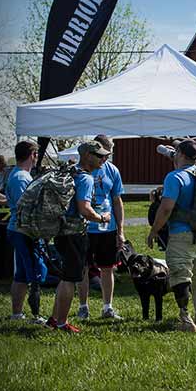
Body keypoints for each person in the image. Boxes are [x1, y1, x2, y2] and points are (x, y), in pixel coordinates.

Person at [147, 139, 196, 333]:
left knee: (180, 276)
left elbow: (166, 208)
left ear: (181, 154)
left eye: (176, 152)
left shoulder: (174, 177)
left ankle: (186, 319)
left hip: (180, 234)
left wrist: (154, 230)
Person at [47, 141, 112, 334]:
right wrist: (102, 217)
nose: (102, 159)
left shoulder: (70, 172)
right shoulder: (86, 178)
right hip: (74, 233)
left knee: (64, 277)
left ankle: (54, 318)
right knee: (70, 279)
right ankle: (62, 323)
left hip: (61, 231)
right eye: (98, 155)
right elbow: (84, 209)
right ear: (87, 156)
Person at [77, 134, 126, 321]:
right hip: (85, 228)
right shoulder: (80, 171)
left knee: (108, 268)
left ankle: (107, 307)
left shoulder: (112, 170)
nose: (106, 157)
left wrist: (120, 230)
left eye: (109, 153)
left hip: (107, 227)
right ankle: (83, 307)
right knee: (83, 268)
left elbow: (117, 200)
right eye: (103, 153)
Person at [5, 141, 47, 324]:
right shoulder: (22, 178)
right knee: (35, 273)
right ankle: (36, 316)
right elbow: (27, 208)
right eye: (36, 154)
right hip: (24, 231)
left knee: (21, 274)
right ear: (32, 155)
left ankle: (17, 314)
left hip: (17, 229)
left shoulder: (17, 174)